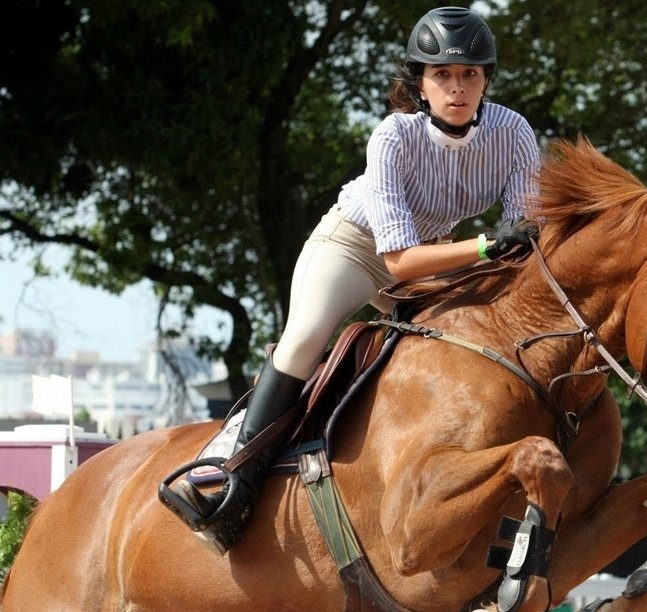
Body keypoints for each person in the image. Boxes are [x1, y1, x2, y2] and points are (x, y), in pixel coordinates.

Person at [169, 6, 541, 553]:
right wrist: (487, 245)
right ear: (420, 83)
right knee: (305, 336)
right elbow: (397, 264)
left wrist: (511, 244)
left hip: (437, 254)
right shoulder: (393, 136)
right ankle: (234, 470)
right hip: (355, 246)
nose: (457, 88)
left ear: (486, 80)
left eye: (469, 75)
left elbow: (525, 232)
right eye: (442, 75)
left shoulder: (513, 133)